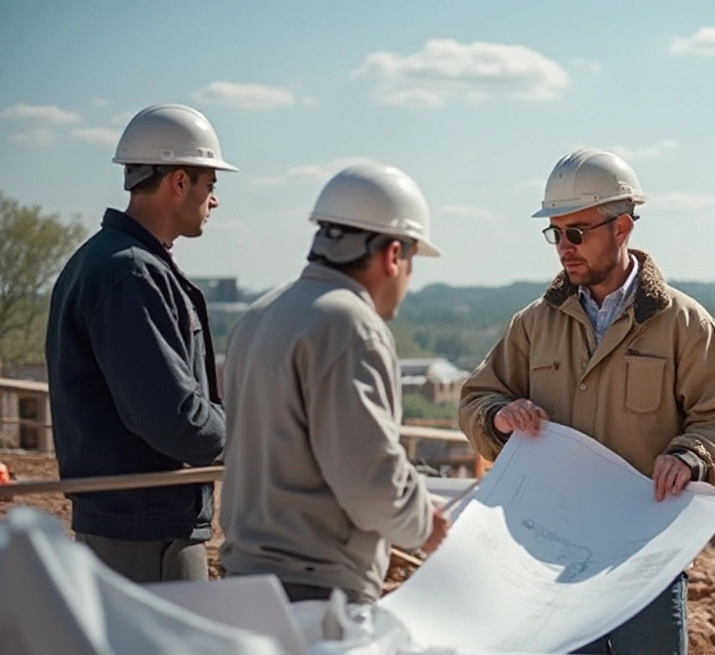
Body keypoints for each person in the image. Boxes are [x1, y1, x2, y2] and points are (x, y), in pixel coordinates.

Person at [458, 148, 715, 655]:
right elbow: (476, 400)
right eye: (556, 233)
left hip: (644, 559)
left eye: (577, 232)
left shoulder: (685, 325)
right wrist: (499, 417)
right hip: (551, 562)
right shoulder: (533, 325)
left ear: (621, 228)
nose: (564, 248)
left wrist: (690, 457)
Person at [219, 161, 448, 604]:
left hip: (245, 581)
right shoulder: (350, 325)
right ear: (393, 254)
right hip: (314, 589)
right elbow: (369, 482)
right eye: (411, 261)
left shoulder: (262, 313)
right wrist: (424, 523)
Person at [46, 103, 238, 583]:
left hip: (134, 524)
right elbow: (173, 419)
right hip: (145, 533)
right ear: (178, 182)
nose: (214, 201)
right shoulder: (129, 273)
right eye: (209, 184)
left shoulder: (111, 262)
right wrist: (249, 435)